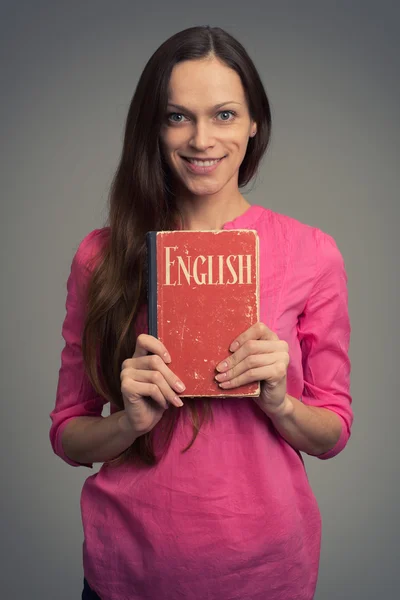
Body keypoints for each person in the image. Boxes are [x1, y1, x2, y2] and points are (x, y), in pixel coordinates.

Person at [49, 25, 353, 600]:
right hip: (127, 570)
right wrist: (128, 422)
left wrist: (281, 403)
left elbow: (333, 430)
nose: (201, 138)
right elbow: (67, 433)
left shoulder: (312, 253)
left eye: (224, 115)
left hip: (265, 572)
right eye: (177, 116)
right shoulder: (102, 256)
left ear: (254, 121)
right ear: (154, 127)